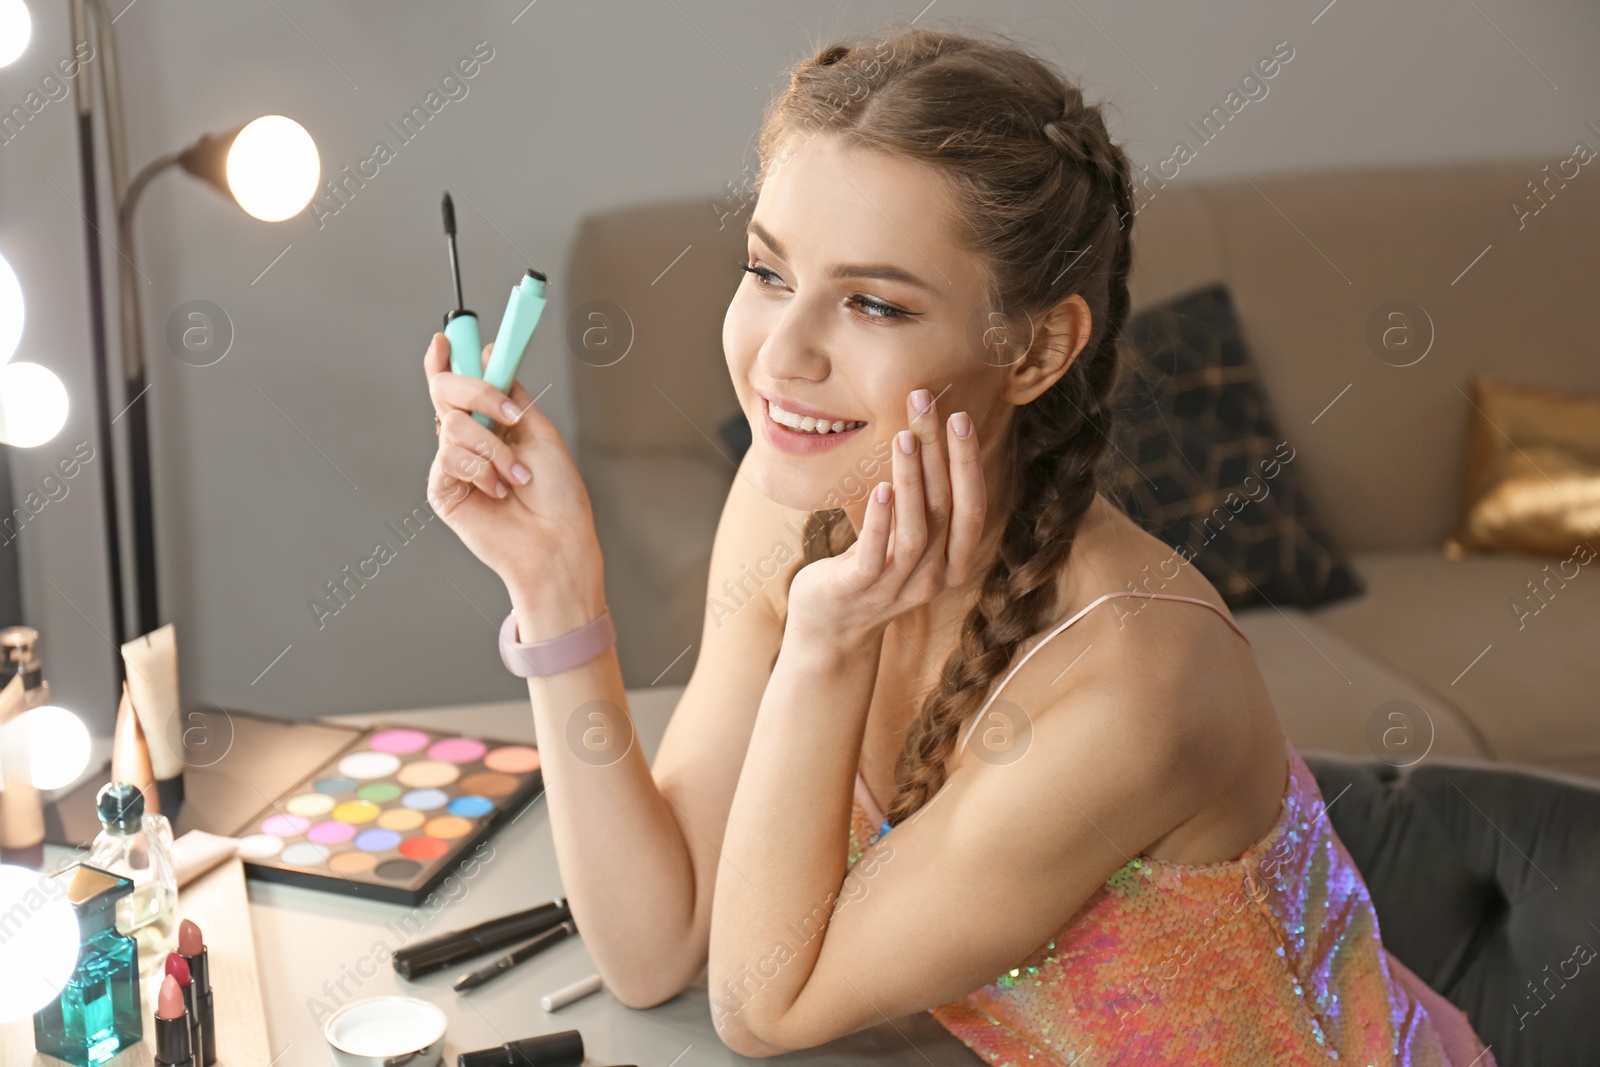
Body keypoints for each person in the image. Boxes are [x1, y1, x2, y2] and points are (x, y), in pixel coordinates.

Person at [423, 23, 1494, 1067]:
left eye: (874, 302)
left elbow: (762, 1004)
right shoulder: (792, 501)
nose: (781, 354)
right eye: (767, 271)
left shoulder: (1135, 680)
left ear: (1032, 348)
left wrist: (825, 643)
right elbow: (653, 945)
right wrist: (556, 587)